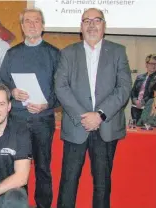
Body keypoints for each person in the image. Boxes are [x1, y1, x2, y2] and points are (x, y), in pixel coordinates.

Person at [55, 8, 132, 208]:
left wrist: (100, 115)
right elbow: (60, 87)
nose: (91, 25)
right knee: (68, 181)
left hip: (106, 127)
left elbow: (124, 88)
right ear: (80, 27)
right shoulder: (68, 53)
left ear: (104, 25)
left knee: (102, 184)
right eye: (86, 21)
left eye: (96, 20)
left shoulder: (118, 51)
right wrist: (84, 116)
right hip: (76, 126)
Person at [0, 8, 60, 208]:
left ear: (43, 26)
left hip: (43, 120)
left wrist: (48, 104)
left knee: (42, 168)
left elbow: (63, 89)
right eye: (28, 21)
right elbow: (2, 83)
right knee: (15, 169)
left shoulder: (55, 54)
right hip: (16, 121)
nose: (32, 25)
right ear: (22, 26)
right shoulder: (12, 54)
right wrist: (12, 92)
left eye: (36, 21)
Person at [131, 54, 156, 121]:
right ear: (146, 64)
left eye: (155, 64)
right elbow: (133, 91)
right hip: (135, 108)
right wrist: (135, 100)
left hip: (148, 109)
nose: (154, 65)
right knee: (136, 129)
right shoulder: (139, 77)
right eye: (152, 63)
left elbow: (153, 94)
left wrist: (143, 102)